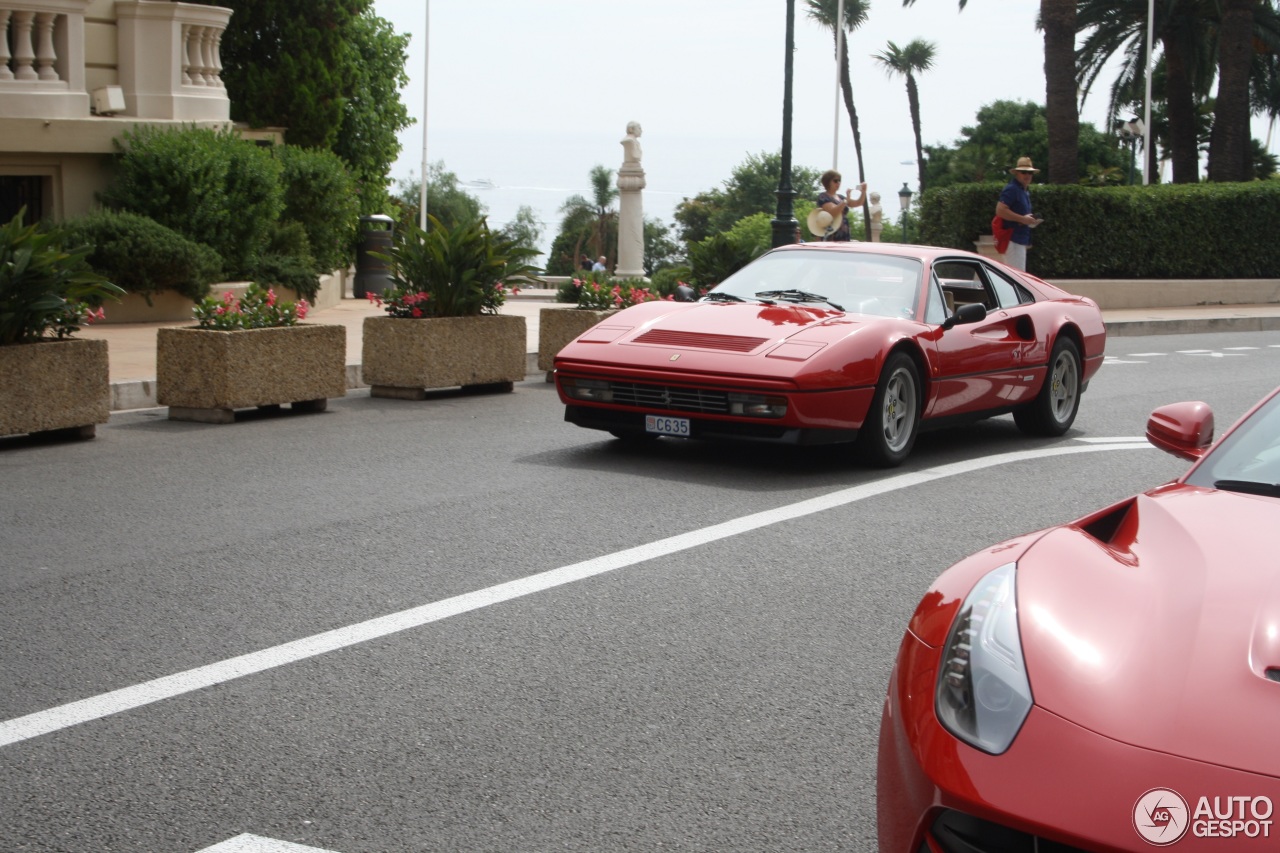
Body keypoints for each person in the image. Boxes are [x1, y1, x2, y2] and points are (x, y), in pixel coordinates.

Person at [994, 156, 1043, 271]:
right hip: (1013, 239)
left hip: (1019, 239)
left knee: (1016, 277)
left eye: (1030, 173)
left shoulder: (1023, 191)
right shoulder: (1012, 189)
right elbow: (1000, 210)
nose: (1027, 175)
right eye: (1023, 172)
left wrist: (1029, 220)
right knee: (1017, 277)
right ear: (1017, 173)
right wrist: (1022, 219)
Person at [816, 170, 868, 242]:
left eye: (839, 181)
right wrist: (846, 200)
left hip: (844, 233)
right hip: (832, 233)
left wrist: (863, 191)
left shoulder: (841, 197)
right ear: (828, 182)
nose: (838, 183)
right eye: (835, 181)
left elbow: (858, 203)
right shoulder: (823, 196)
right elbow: (832, 212)